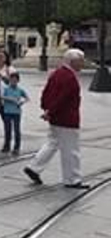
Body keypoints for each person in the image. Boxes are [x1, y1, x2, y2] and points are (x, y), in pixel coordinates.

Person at [25, 49, 87, 190]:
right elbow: (63, 98)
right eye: (81, 60)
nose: (82, 63)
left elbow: (46, 92)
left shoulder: (56, 73)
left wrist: (46, 109)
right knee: (71, 149)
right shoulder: (70, 77)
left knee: (52, 143)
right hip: (67, 118)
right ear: (73, 61)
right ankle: (72, 179)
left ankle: (34, 167)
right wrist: (50, 111)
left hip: (55, 118)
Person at [0, 72, 27, 156]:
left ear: (18, 81)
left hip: (16, 112)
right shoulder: (6, 89)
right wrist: (10, 99)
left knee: (16, 130)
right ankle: (6, 145)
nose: (13, 82)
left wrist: (22, 102)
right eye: (12, 80)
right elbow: (1, 96)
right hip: (7, 111)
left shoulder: (20, 90)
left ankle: (16, 147)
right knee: (7, 129)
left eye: (15, 80)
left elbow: (26, 98)